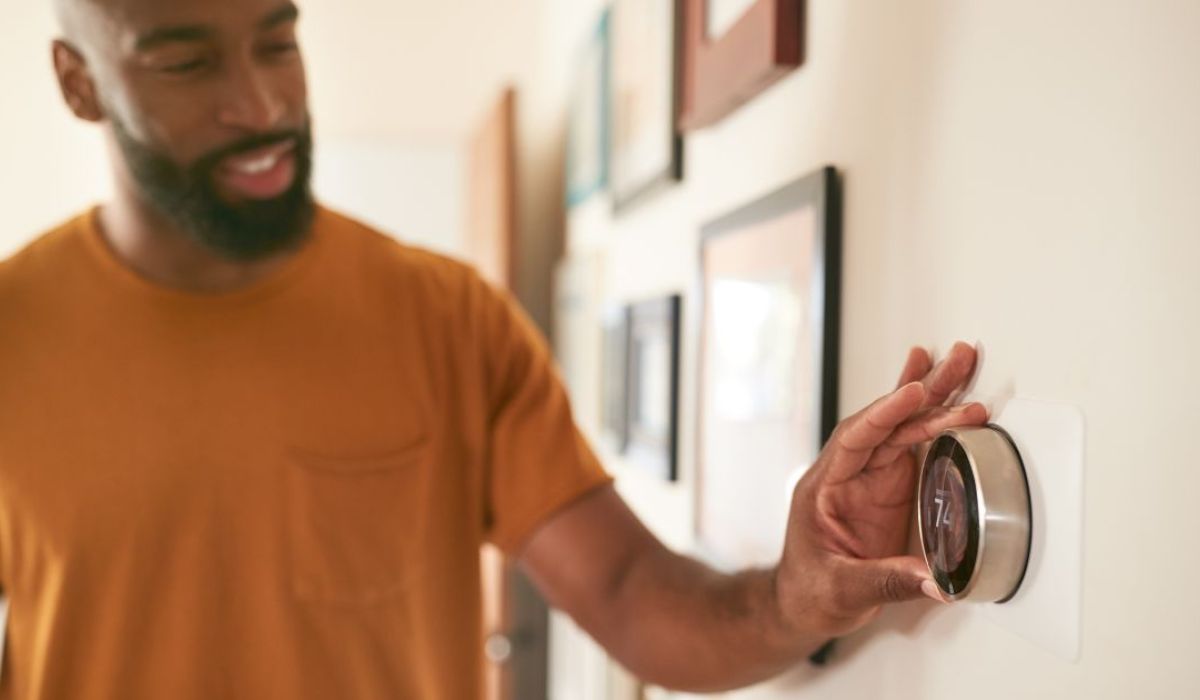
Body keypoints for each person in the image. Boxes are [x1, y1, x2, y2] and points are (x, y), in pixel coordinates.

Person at [0, 0, 987, 697]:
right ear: (79, 81)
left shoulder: (447, 318)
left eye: (279, 39)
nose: (260, 105)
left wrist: (790, 594)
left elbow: (628, 593)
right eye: (187, 61)